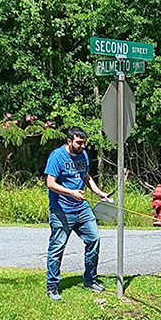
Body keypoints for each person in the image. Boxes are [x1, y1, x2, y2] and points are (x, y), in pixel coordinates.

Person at [45, 127, 112, 301]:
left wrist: (99, 193)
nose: (82, 146)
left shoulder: (83, 155)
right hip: (61, 210)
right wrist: (70, 192)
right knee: (57, 248)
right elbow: (50, 183)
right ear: (69, 141)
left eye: (84, 143)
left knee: (94, 239)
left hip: (81, 208)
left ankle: (89, 280)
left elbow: (86, 177)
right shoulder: (57, 156)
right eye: (79, 142)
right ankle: (52, 286)